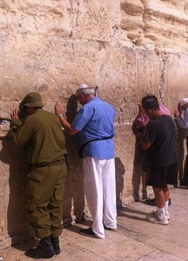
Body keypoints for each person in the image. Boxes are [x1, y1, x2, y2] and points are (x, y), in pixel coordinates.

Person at [8, 92, 68, 258]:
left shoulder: (32, 120)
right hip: (61, 166)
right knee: (54, 204)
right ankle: (56, 242)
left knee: (35, 205)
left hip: (44, 170)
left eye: (26, 109)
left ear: (29, 108)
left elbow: (18, 141)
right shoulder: (54, 118)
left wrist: (15, 123)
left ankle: (45, 244)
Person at [55, 83, 117, 239]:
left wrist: (60, 116)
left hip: (94, 150)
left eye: (78, 99)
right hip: (109, 149)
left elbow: (72, 130)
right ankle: (110, 222)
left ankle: (97, 229)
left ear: (83, 96)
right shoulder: (108, 106)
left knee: (94, 189)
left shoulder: (87, 108)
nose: (79, 102)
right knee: (109, 188)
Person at [138, 95, 178, 225]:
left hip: (159, 161)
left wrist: (140, 137)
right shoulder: (169, 119)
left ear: (149, 110)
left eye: (144, 110)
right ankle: (164, 212)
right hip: (172, 158)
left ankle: (161, 216)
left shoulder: (153, 125)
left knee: (157, 188)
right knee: (165, 186)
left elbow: (146, 145)